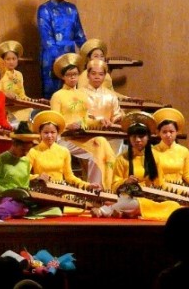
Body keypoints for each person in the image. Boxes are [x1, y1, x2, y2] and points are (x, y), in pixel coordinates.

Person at [95, 112, 181, 220]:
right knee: (132, 202)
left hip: (148, 199)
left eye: (141, 136)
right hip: (128, 196)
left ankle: (121, 211)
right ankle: (106, 211)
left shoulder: (155, 157)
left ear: (148, 137)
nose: (138, 140)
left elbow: (160, 184)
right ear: (129, 138)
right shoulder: (122, 159)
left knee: (174, 206)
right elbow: (114, 185)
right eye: (134, 136)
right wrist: (126, 181)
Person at [50, 54, 116, 185]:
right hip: (65, 137)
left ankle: (104, 187)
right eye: (69, 75)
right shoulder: (57, 96)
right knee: (95, 153)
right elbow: (54, 120)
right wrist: (68, 125)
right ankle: (94, 189)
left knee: (101, 143)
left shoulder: (82, 95)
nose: (73, 77)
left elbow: (86, 118)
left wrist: (100, 121)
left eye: (75, 74)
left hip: (81, 135)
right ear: (63, 77)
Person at [37, 0, 87, 98]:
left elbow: (79, 33)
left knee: (70, 91)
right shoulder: (44, 9)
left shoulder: (72, 9)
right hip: (51, 56)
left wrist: (89, 52)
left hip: (70, 56)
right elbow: (46, 37)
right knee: (52, 92)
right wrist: (59, 59)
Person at [25, 111, 101, 190]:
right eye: (46, 132)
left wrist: (87, 185)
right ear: (40, 133)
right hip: (41, 190)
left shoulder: (64, 151)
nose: (49, 136)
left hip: (60, 190)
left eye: (53, 132)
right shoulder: (33, 151)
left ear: (57, 134)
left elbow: (69, 177)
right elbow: (23, 174)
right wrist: (38, 178)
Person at [152, 108, 189, 185]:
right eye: (164, 132)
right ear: (159, 133)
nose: (168, 135)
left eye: (171, 131)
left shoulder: (184, 151)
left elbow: (187, 174)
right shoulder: (152, 151)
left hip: (179, 189)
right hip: (158, 190)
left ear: (177, 132)